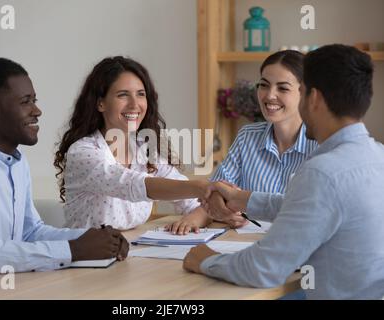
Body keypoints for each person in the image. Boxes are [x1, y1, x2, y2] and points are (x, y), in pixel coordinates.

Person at [183, 44, 384, 299]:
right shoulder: (378, 157)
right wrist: (240, 198)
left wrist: (206, 261)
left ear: (313, 99)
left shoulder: (322, 173)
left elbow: (264, 269)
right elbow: (304, 207)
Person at [0, 58, 128, 282]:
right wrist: (73, 249)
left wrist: (95, 238)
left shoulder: (16, 161)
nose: (37, 111)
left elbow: (30, 232)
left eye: (34, 100)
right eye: (25, 102)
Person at [54, 56, 209, 232]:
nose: (135, 104)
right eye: (123, 95)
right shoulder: (83, 152)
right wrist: (201, 187)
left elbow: (196, 204)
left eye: (141, 94)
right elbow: (133, 185)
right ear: (100, 103)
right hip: (88, 257)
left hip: (131, 252)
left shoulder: (145, 151)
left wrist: (194, 218)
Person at [169, 50, 318, 232]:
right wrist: (196, 218)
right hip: (244, 245)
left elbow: (314, 211)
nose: (270, 95)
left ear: (306, 93)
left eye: (283, 88)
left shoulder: (321, 144)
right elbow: (216, 190)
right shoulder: (247, 136)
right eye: (264, 85)